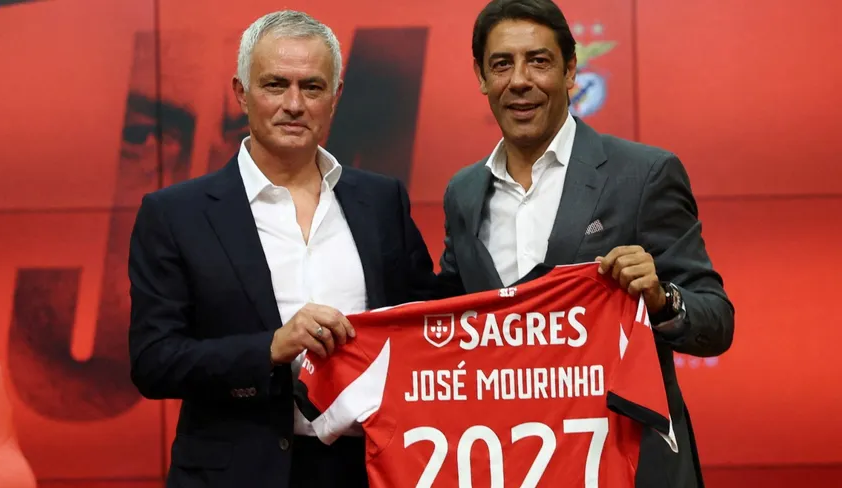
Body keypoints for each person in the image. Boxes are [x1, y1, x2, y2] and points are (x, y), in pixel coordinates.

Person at [127, 10, 436, 488]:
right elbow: (154, 361)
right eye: (275, 85)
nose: (294, 104)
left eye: (312, 87)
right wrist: (270, 348)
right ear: (241, 93)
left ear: (335, 97)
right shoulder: (175, 214)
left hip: (365, 470)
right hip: (235, 476)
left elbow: (430, 323)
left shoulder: (380, 201)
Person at [437, 0, 734, 486]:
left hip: (630, 466)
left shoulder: (643, 174)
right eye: (502, 64)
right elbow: (448, 318)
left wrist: (661, 299)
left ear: (571, 70)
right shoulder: (463, 193)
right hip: (514, 463)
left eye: (538, 61)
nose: (519, 81)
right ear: (481, 77)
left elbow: (716, 322)